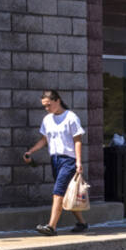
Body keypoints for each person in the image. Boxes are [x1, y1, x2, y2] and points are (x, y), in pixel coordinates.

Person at [23, 89, 86, 236]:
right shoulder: (47, 119)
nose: (47, 108)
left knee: (58, 193)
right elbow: (44, 140)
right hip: (55, 160)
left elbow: (78, 141)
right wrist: (31, 151)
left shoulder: (71, 117)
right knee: (65, 193)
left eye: (49, 105)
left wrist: (78, 162)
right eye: (44, 106)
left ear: (58, 100)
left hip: (69, 160)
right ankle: (82, 223)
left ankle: (51, 227)